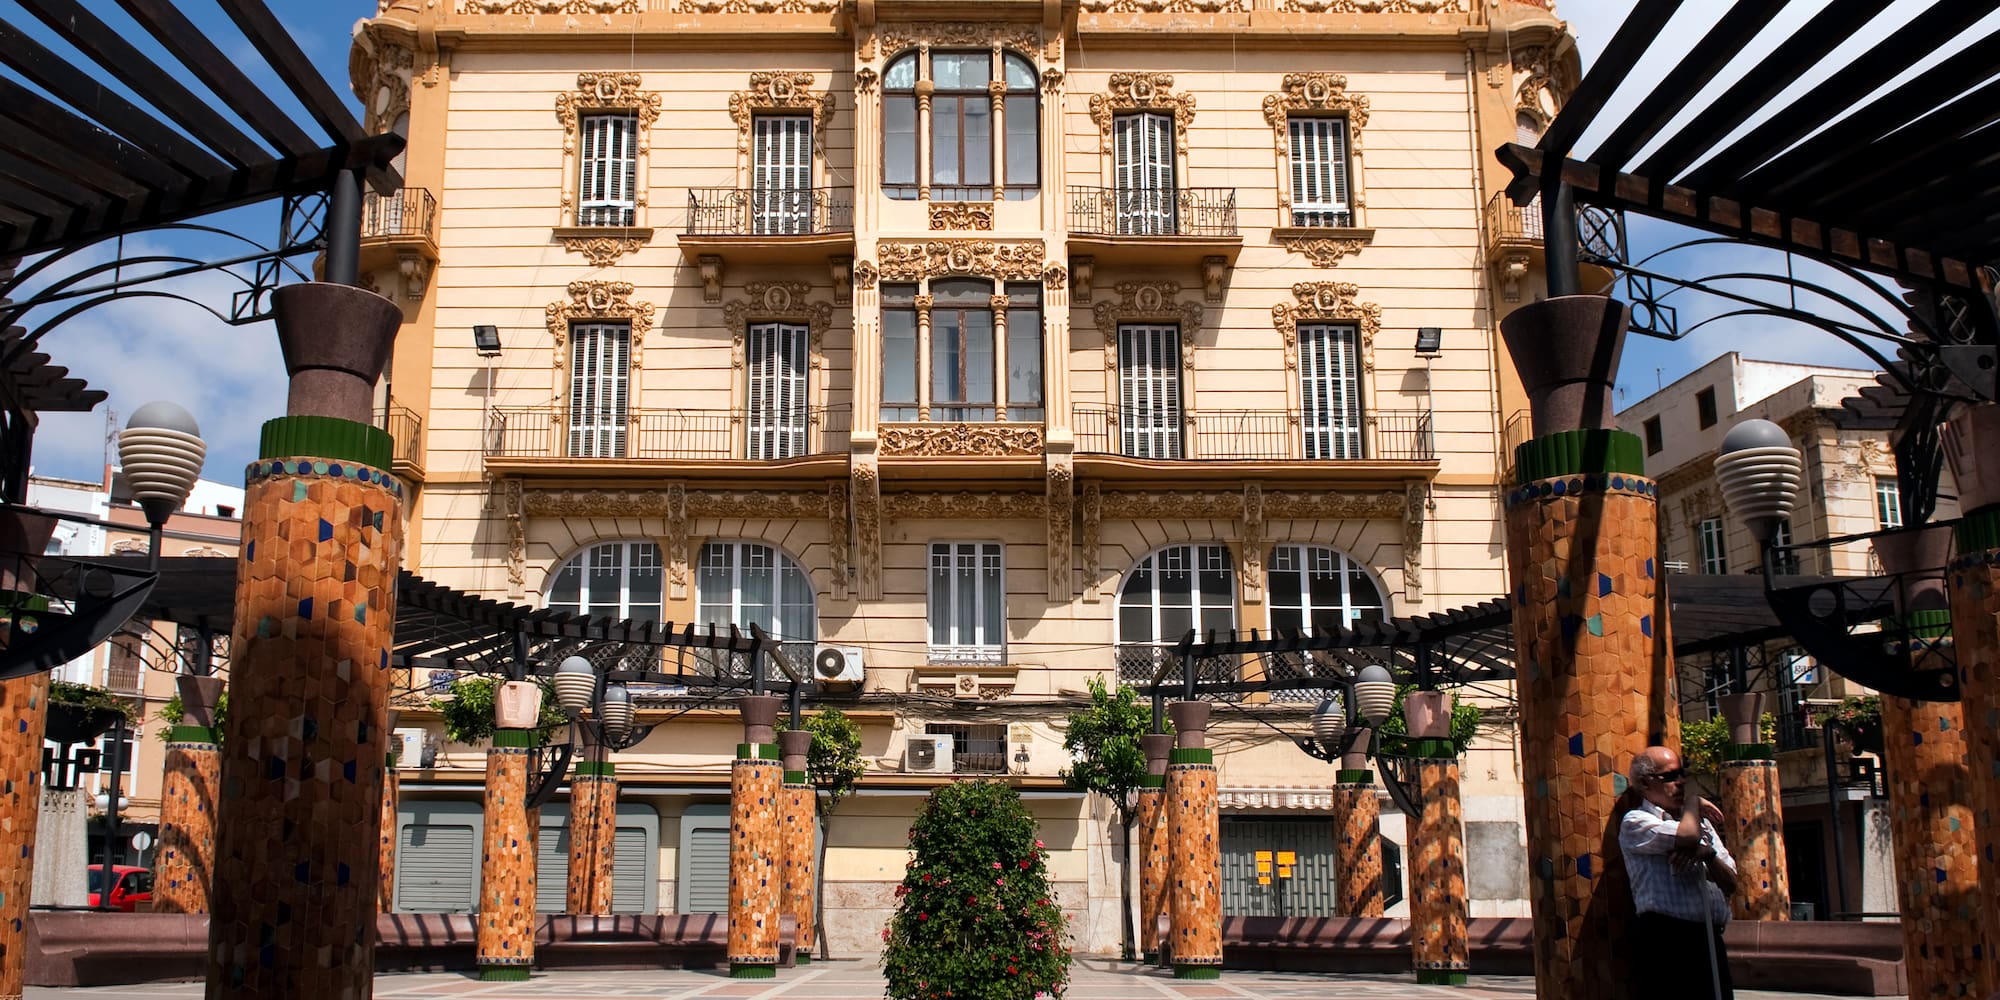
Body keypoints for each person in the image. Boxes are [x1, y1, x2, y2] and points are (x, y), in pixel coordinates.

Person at [1620, 745, 1738, 1000]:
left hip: (1708, 937)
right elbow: (1688, 836)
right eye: (1670, 777)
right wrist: (1694, 804)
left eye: (1682, 774)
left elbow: (1730, 882)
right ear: (1645, 783)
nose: (1681, 782)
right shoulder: (1637, 821)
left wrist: (1706, 854)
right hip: (1669, 939)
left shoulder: (1702, 824)